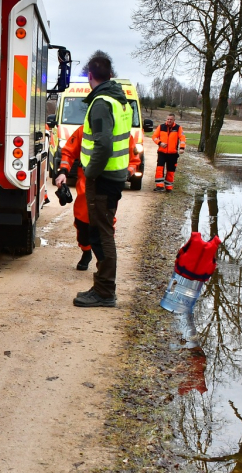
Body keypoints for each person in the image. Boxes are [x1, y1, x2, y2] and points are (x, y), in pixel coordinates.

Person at [67, 51, 131, 307]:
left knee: (102, 235)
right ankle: (103, 288)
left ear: (90, 76)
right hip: (113, 176)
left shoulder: (102, 103)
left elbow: (103, 145)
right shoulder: (119, 100)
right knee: (102, 232)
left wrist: (89, 173)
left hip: (102, 179)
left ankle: (104, 292)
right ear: (111, 75)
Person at [55, 124, 139, 272]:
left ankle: (104, 267)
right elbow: (68, 152)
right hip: (86, 184)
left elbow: (134, 160)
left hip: (109, 184)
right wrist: (63, 171)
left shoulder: (124, 134)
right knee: (82, 223)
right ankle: (86, 252)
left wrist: (127, 173)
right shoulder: (84, 130)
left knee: (105, 226)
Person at [153, 113, 186, 192]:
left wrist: (182, 148)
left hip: (173, 153)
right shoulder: (161, 127)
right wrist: (160, 143)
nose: (169, 121)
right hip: (162, 152)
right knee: (159, 168)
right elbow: (154, 137)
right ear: (166, 119)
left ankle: (169, 187)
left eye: (171, 119)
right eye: (168, 119)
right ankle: (159, 186)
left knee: (171, 170)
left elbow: (182, 138)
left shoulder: (178, 128)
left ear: (174, 120)